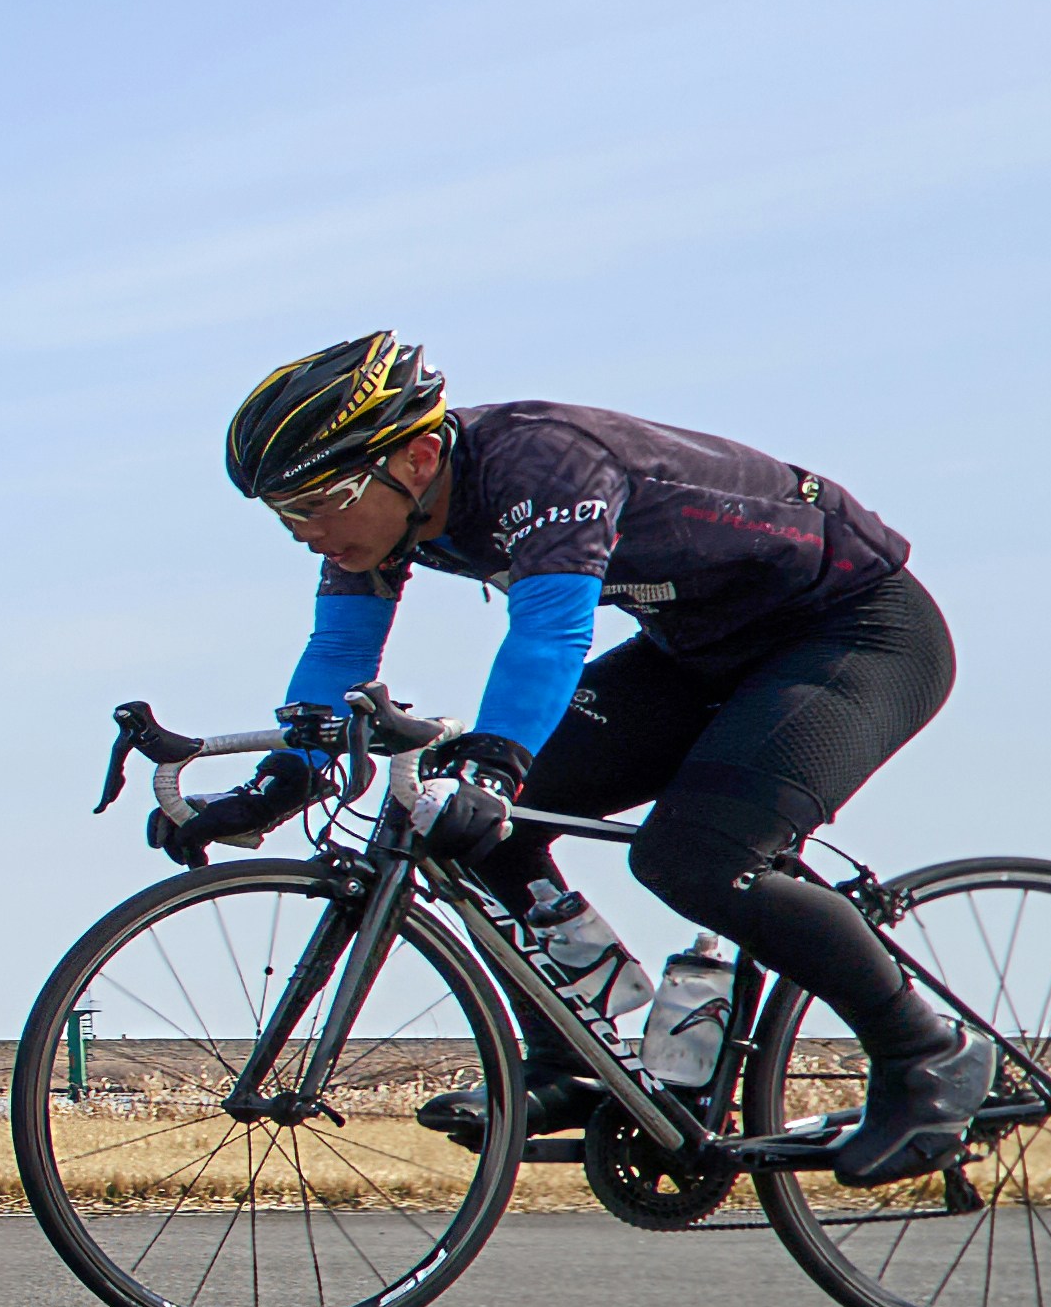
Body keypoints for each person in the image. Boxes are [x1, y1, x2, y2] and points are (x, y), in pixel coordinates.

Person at [173, 335, 986, 1178]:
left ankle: (927, 1054)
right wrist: (282, 782)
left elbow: (551, 633)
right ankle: (576, 1057)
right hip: (697, 655)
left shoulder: (542, 463)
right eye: (285, 513)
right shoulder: (381, 523)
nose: (308, 532)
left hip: (853, 634)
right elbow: (340, 656)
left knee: (694, 858)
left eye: (322, 500)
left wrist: (497, 763)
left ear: (416, 458)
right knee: (463, 823)